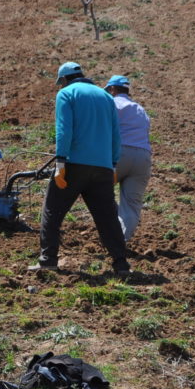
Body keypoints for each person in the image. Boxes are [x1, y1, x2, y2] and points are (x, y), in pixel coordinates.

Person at [29, 62, 130, 275]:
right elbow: (116, 134)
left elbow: (64, 130)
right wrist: (113, 164)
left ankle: (48, 260)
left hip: (74, 164)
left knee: (52, 212)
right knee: (107, 218)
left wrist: (60, 163)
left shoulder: (66, 93)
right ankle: (121, 264)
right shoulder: (106, 97)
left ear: (65, 79)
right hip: (103, 167)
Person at [105, 75, 152, 243]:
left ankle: (109, 235)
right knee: (132, 204)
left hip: (120, 154)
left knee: (100, 192)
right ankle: (121, 241)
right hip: (143, 157)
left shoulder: (111, 104)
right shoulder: (140, 109)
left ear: (112, 89)